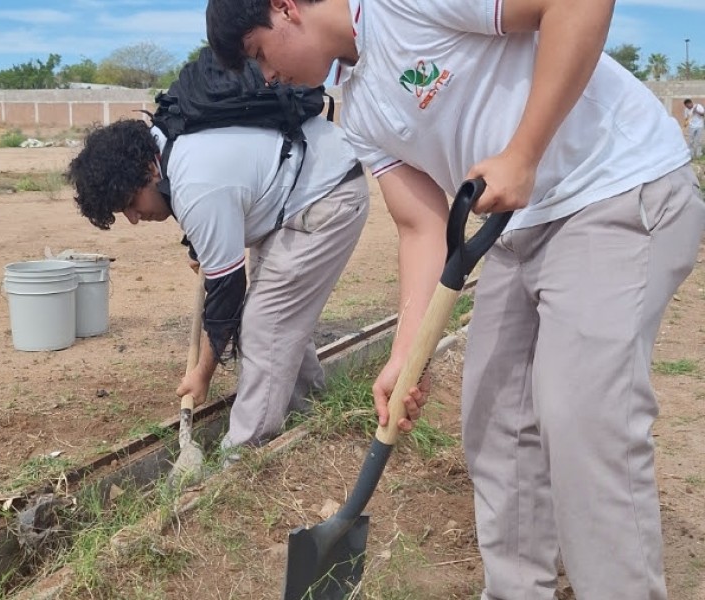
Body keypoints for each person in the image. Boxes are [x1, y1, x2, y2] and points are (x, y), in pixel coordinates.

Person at [206, 1, 705, 598]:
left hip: (614, 189)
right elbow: (421, 226)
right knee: (494, 424)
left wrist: (524, 151)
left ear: (285, 8)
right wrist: (404, 355)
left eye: (258, 54)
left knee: (582, 417)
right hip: (518, 230)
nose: (264, 77)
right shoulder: (358, 110)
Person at [66, 112, 368, 460]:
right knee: (277, 317)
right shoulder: (166, 145)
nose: (134, 219)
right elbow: (225, 187)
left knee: (264, 324)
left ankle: (245, 453)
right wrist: (202, 247)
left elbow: (227, 294)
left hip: (326, 195)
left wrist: (202, 374)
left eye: (131, 204)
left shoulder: (194, 184)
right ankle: (309, 409)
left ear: (148, 173)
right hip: (292, 189)